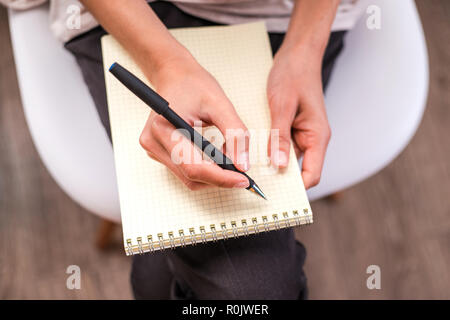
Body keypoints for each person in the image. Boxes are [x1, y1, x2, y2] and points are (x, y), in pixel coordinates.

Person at [2, 0, 364, 299]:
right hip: (134, 15)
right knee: (251, 290)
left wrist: (305, 49)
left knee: (171, 282)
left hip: (294, 16)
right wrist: (167, 63)